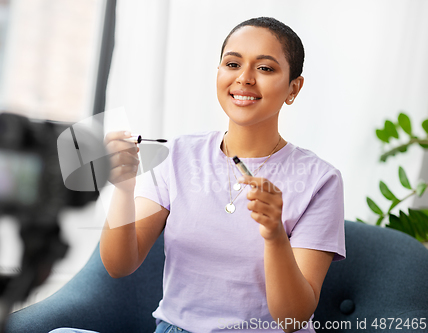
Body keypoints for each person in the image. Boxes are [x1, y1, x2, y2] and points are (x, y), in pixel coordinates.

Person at [51, 16, 345, 333]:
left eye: (265, 68)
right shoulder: (177, 155)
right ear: (218, 73)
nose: (244, 78)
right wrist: (123, 188)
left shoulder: (320, 181)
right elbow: (120, 264)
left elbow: (292, 319)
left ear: (293, 87)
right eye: (233, 64)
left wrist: (274, 235)